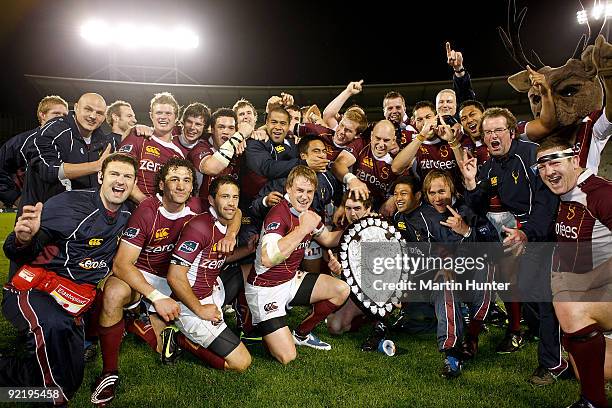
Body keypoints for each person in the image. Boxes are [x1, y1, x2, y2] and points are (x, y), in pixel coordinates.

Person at [0, 153, 137, 405]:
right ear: (100, 177)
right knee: (57, 380)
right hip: (34, 290)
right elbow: (23, 247)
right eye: (114, 174)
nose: (120, 181)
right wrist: (23, 238)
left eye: (128, 176)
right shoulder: (70, 204)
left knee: (71, 380)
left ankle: (9, 378)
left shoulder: (128, 215)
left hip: (73, 299)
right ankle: (52, 398)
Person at [458, 107, 569, 385]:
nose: (492, 136)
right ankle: (551, 342)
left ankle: (553, 363)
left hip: (548, 236)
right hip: (521, 238)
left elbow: (548, 204)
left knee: (546, 302)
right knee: (529, 295)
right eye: (487, 132)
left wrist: (527, 234)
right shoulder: (490, 166)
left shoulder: (532, 155)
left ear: (511, 131)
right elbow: (476, 206)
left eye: (497, 130)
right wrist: (471, 184)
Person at [90, 157, 203, 406]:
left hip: (176, 278)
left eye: (186, 180)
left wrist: (235, 229)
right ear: (161, 184)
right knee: (113, 293)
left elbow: (234, 210)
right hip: (140, 275)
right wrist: (156, 297)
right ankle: (109, 372)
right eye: (174, 179)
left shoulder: (198, 207)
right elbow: (121, 264)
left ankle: (139, 322)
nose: (181, 186)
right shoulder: (148, 210)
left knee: (171, 349)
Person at [532, 138, 612, 408]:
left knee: (569, 303)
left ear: (575, 160)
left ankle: (593, 403)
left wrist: (586, 281)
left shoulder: (600, 193)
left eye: (555, 162)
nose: (549, 171)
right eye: (542, 166)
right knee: (587, 369)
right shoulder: (565, 195)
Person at [245, 166, 350, 363]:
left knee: (341, 289)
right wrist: (303, 229)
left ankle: (301, 334)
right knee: (287, 356)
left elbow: (327, 239)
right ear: (289, 189)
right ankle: (258, 324)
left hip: (290, 280)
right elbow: (268, 258)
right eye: (299, 191)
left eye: (309, 192)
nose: (304, 196)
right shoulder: (278, 214)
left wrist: (356, 227)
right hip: (265, 288)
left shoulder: (308, 213)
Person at [402, 170, 498, 378]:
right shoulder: (419, 218)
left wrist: (466, 232)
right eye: (431, 192)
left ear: (452, 189)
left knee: (487, 269)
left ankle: (472, 335)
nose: (437, 198)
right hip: (439, 279)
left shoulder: (468, 209)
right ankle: (452, 354)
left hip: (471, 272)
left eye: (442, 191)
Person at [166, 176, 254, 373]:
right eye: (225, 197)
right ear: (212, 200)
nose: (231, 203)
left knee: (251, 270)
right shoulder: (200, 227)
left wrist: (247, 250)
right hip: (191, 303)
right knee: (241, 362)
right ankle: (179, 339)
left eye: (235, 197)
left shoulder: (226, 221)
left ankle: (246, 324)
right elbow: (174, 276)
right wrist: (199, 309)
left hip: (213, 289)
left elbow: (218, 256)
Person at [20, 93, 115, 210]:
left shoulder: (104, 141)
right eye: (88, 109)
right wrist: (96, 166)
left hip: (82, 216)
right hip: (43, 216)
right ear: (75, 108)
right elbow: (47, 169)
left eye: (99, 113)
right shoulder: (55, 130)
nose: (93, 116)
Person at [0, 95, 68, 208]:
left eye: (64, 115)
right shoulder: (21, 142)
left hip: (62, 209)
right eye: (56, 114)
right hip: (32, 209)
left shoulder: (70, 142)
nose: (61, 118)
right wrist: (15, 197)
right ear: (43, 115)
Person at [119, 92, 185, 203]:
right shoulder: (138, 136)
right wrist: (146, 203)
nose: (163, 117)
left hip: (164, 211)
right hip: (131, 206)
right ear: (151, 116)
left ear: (176, 117)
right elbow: (121, 170)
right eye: (159, 113)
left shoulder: (178, 154)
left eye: (168, 113)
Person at [391, 101, 469, 188]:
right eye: (419, 120)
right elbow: (396, 168)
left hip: (456, 197)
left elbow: (468, 169)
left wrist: (452, 140)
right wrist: (422, 135)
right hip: (426, 198)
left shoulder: (451, 136)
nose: (425, 123)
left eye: (428, 117)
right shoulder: (412, 142)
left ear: (437, 118)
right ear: (414, 123)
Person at [332, 120, 402, 215]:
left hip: (380, 208)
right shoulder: (361, 144)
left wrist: (394, 199)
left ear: (393, 140)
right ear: (371, 135)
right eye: (377, 138)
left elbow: (408, 183)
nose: (381, 144)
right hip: (353, 200)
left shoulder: (399, 158)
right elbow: (338, 164)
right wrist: (352, 180)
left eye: (386, 140)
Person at [188, 108, 252, 199]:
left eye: (231, 128)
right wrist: (240, 135)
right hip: (202, 209)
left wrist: (262, 131)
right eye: (221, 127)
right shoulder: (200, 147)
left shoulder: (239, 146)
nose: (226, 131)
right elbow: (211, 168)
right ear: (212, 130)